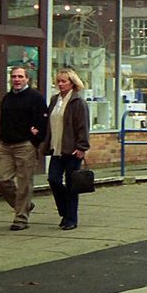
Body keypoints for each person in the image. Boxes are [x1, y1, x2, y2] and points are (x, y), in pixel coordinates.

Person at [0, 67, 48, 231]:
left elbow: (42, 122)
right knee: (0, 177)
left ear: (27, 79)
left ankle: (21, 218)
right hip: (5, 145)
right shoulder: (7, 98)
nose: (17, 79)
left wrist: (34, 141)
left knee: (24, 182)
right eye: (14, 76)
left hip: (25, 145)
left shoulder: (35, 98)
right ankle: (25, 205)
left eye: (20, 77)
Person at [40, 69, 90, 231]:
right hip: (56, 148)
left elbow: (83, 126)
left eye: (64, 81)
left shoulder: (78, 102)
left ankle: (71, 219)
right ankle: (65, 211)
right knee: (53, 179)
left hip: (72, 149)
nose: (60, 84)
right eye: (59, 81)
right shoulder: (55, 100)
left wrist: (82, 147)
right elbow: (50, 124)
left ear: (73, 83)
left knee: (71, 184)